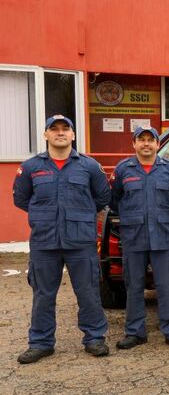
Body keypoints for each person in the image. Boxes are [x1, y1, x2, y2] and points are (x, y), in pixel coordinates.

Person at [12, 115, 111, 363]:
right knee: (43, 294)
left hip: (81, 241)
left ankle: (94, 338)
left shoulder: (89, 167)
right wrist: (46, 217)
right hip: (45, 242)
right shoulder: (32, 167)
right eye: (53, 129)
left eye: (65, 129)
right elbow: (22, 200)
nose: (60, 133)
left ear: (73, 135)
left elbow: (101, 199)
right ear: (45, 135)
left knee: (88, 292)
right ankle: (41, 342)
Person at [111, 126, 169, 350]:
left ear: (157, 144)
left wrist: (164, 213)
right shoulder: (123, 169)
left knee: (168, 285)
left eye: (150, 140)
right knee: (133, 285)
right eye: (141, 140)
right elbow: (114, 199)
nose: (146, 144)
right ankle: (135, 332)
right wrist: (130, 215)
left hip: (163, 234)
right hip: (134, 236)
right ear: (134, 144)